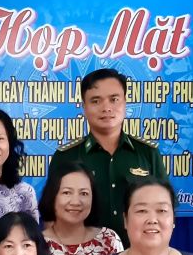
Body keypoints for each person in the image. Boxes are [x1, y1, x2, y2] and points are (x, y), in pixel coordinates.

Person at [48, 68, 168, 241]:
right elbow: (51, 217)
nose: (106, 108)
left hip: (137, 252)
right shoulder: (65, 157)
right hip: (82, 253)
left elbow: (164, 209)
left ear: (125, 103)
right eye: (96, 101)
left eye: (114, 99)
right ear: (84, 107)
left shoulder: (148, 153)